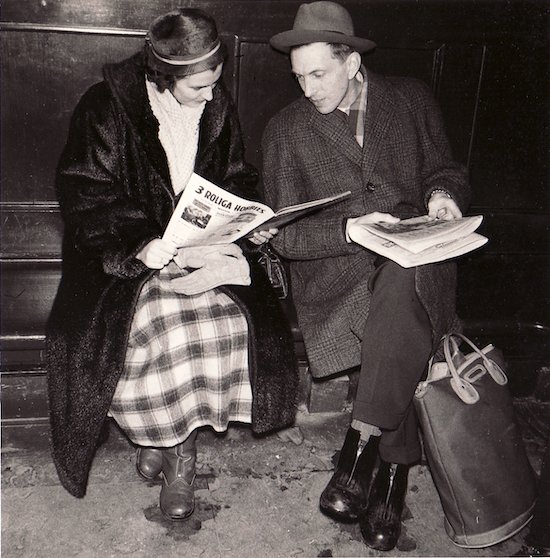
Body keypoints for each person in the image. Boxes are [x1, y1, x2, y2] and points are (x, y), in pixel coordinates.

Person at [46, 8, 298, 521]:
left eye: (215, 84)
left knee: (226, 321)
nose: (212, 95)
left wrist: (248, 221)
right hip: (117, 262)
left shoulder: (215, 103)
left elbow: (236, 177)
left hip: (197, 251)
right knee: (167, 328)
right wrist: (139, 244)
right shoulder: (105, 109)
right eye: (200, 87)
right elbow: (82, 196)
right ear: (163, 75)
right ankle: (173, 448)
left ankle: (169, 442)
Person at [261, 1, 471, 551]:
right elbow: (282, 236)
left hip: (418, 254)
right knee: (400, 311)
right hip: (338, 271)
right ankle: (391, 474)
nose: (306, 88)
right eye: (299, 76)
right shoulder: (285, 131)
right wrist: (349, 230)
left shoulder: (410, 99)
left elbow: (445, 167)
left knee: (403, 286)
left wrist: (442, 196)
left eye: (318, 74)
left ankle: (361, 444)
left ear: (351, 61)